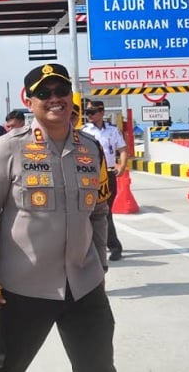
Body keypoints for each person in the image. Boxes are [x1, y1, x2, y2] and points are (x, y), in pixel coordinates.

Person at [0, 63, 116, 372]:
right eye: (44, 93)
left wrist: (100, 263)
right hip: (25, 288)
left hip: (84, 285)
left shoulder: (90, 149)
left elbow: (100, 211)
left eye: (61, 90)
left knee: (99, 367)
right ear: (29, 101)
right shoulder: (10, 148)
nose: (55, 99)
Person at [82, 100, 127, 261]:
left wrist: (121, 167)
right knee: (92, 213)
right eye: (87, 113)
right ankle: (103, 245)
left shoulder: (113, 131)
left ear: (101, 112)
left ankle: (113, 246)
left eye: (92, 112)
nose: (89, 116)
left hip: (108, 175)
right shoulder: (84, 131)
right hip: (90, 176)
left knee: (105, 211)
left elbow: (122, 149)